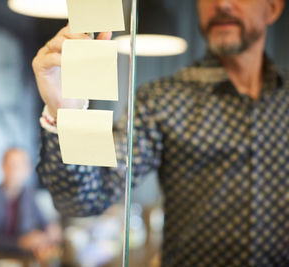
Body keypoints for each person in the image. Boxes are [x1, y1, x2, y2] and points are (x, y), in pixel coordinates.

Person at [33, 0, 288, 266]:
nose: (222, 3)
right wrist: (66, 114)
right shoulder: (162, 101)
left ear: (272, 7)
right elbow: (84, 199)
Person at [0, 148, 62, 263]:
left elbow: (44, 222)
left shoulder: (28, 195)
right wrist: (19, 243)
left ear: (28, 170)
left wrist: (50, 228)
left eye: (20, 165)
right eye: (11, 165)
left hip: (24, 258)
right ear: (3, 167)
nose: (15, 170)